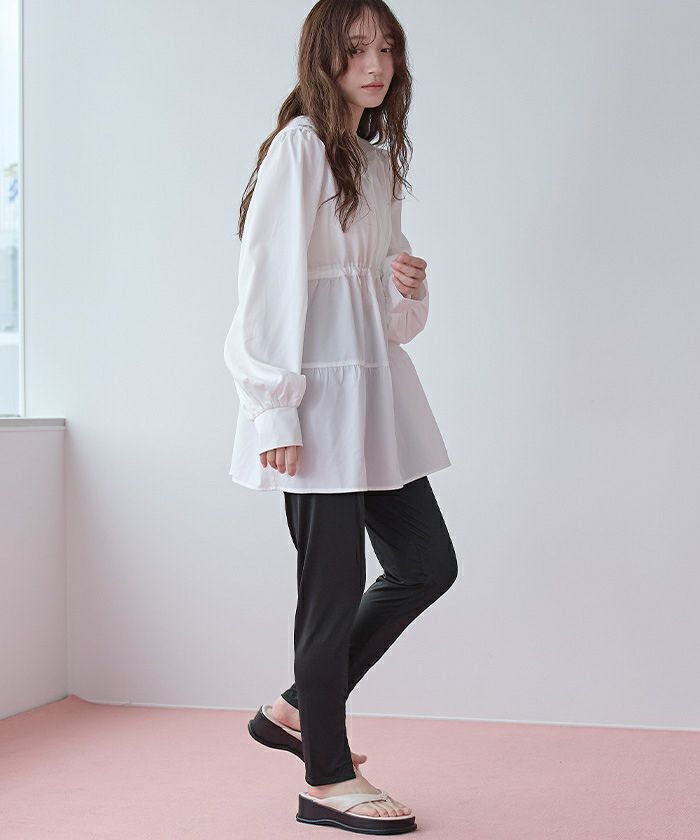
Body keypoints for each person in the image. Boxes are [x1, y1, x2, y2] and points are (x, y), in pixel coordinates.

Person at [223, 1, 458, 833]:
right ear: (323, 59)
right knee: (331, 591)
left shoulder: (375, 161)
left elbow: (390, 324)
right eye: (357, 49)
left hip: (374, 400)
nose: (376, 64)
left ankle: (297, 709)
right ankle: (324, 776)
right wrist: (274, 413)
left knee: (426, 564)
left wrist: (407, 285)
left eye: (387, 48)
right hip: (315, 403)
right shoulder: (299, 149)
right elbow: (263, 289)